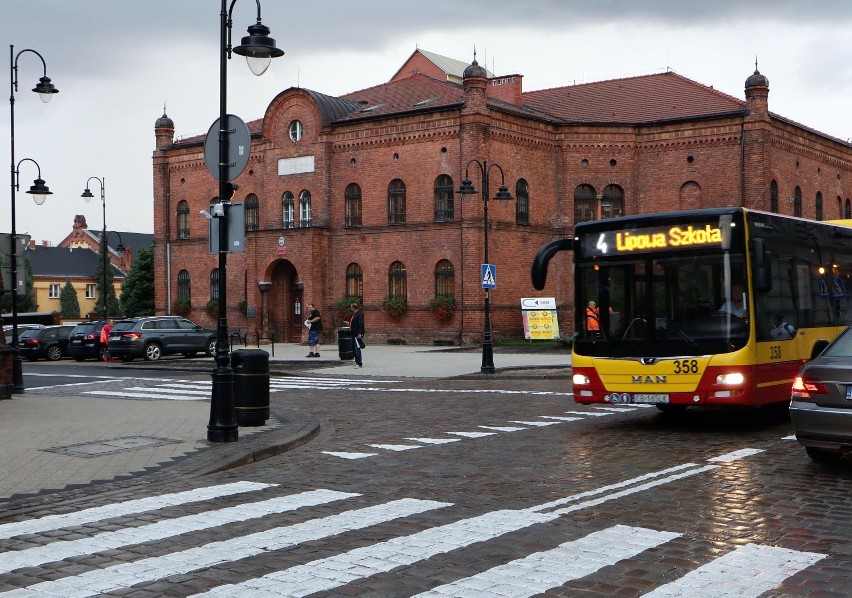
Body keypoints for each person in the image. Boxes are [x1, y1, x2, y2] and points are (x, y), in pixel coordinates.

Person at [349, 302, 365, 368]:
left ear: (353, 307)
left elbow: (361, 323)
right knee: (354, 348)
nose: (350, 308)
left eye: (351, 307)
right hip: (353, 333)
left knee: (357, 348)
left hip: (357, 334)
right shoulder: (355, 314)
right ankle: (356, 361)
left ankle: (359, 363)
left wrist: (360, 333)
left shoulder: (359, 314)